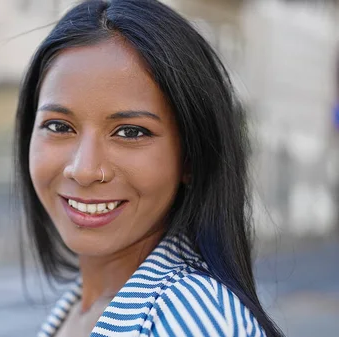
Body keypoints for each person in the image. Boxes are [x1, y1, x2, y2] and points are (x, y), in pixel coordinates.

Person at [14, 0, 283, 336]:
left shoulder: (192, 320)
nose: (84, 170)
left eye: (130, 132)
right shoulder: (80, 304)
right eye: (59, 126)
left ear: (190, 157)